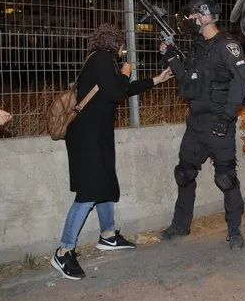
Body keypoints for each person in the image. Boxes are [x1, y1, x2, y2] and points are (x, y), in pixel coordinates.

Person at [52, 23, 173, 280]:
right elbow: (119, 90)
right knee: (89, 191)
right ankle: (63, 251)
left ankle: (107, 235)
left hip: (98, 134)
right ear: (114, 42)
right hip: (86, 137)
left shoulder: (102, 62)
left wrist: (155, 80)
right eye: (122, 45)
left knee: (105, 182)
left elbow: (120, 90)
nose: (124, 50)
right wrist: (126, 72)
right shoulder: (101, 60)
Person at [159, 0, 245, 250]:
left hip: (220, 123)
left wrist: (227, 116)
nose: (188, 19)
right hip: (196, 123)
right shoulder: (198, 47)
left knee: (226, 178)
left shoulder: (227, 45)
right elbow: (189, 82)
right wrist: (172, 58)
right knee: (184, 174)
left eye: (192, 15)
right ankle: (180, 225)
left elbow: (240, 82)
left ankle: (234, 230)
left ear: (206, 15)